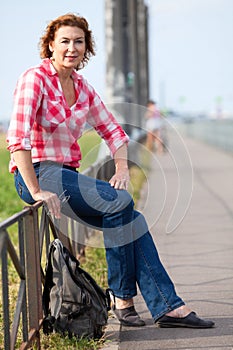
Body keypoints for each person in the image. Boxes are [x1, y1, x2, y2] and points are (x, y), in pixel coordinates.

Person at [7, 13, 214, 329]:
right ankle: (122, 299)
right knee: (120, 204)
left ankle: (167, 307)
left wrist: (122, 170)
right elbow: (18, 138)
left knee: (133, 219)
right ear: (50, 45)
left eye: (79, 41)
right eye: (64, 41)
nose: (72, 48)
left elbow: (114, 132)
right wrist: (35, 189)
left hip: (68, 175)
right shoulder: (34, 79)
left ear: (86, 48)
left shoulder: (82, 87)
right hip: (36, 173)